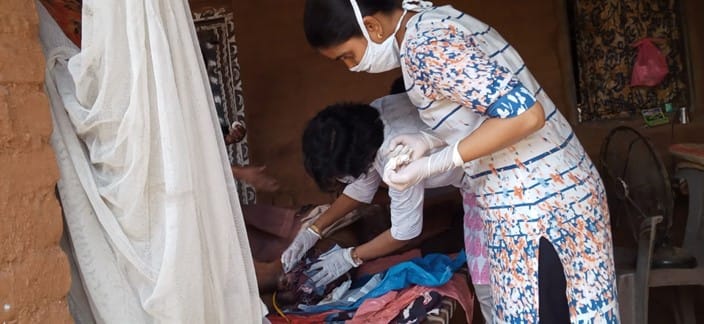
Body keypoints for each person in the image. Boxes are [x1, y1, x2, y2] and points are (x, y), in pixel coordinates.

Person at [302, 0, 619, 323]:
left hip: (537, 206)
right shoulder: (435, 22)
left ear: (371, 27)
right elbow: (480, 111)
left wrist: (437, 161)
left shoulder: (424, 46)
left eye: (346, 56)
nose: (350, 66)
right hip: (545, 193)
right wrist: (428, 140)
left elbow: (524, 115)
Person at [281, 92, 465, 290]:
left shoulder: (398, 159)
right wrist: (314, 229)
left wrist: (351, 257)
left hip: (482, 175)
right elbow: (362, 186)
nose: (341, 181)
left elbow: (404, 232)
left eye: (340, 177)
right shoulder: (371, 118)